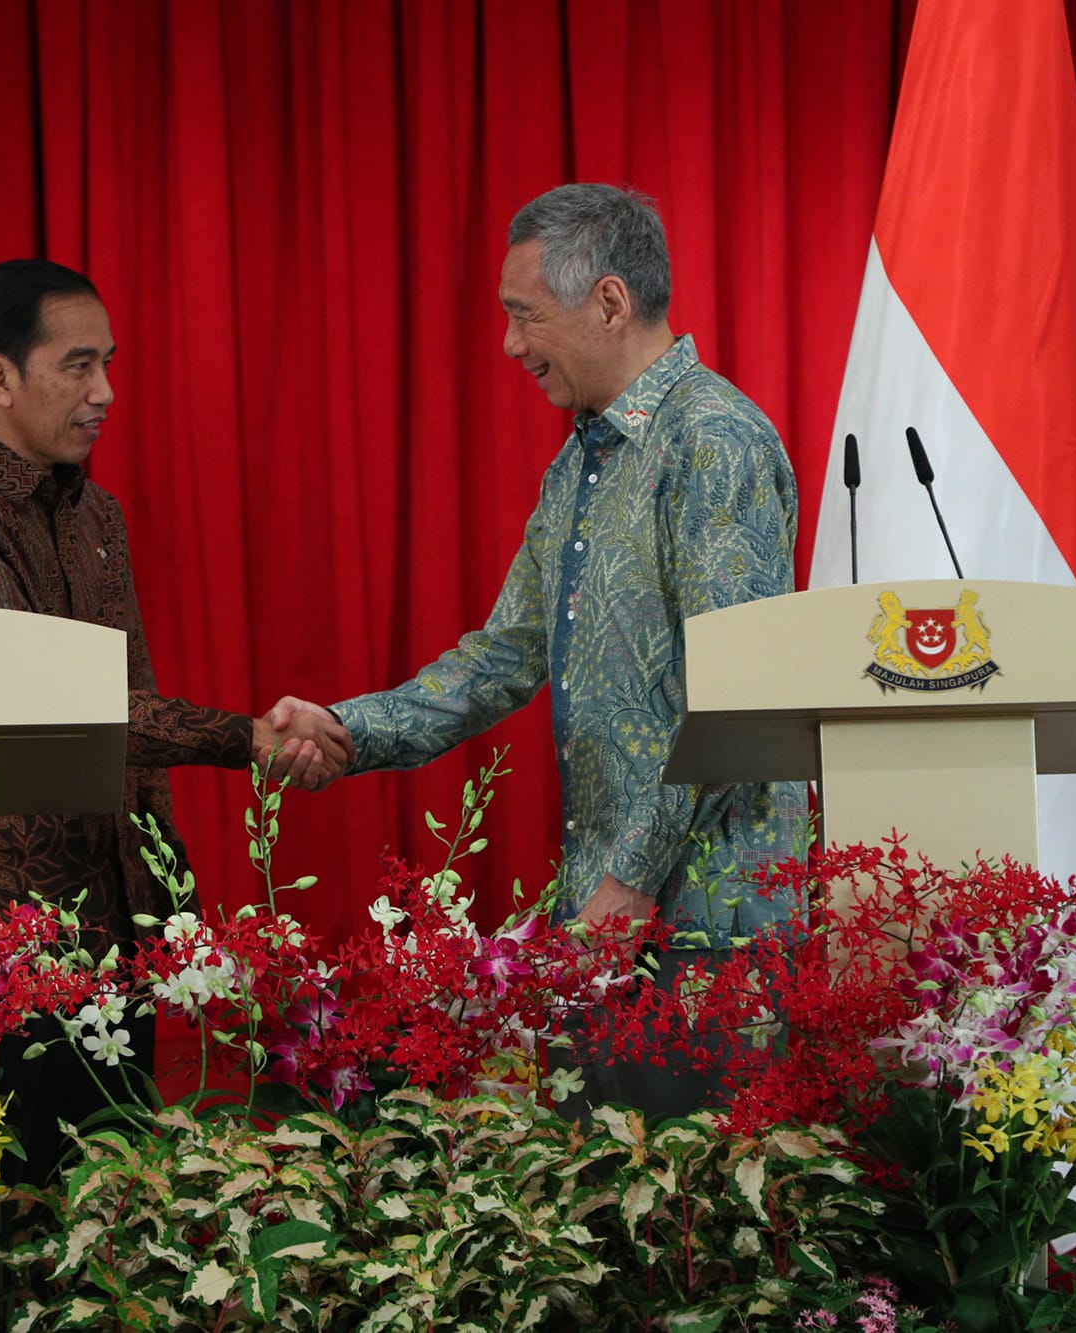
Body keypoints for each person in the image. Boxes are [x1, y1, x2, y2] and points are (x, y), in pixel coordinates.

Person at [270, 184, 806, 1117]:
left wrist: (631, 881)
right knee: (595, 1238)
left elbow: (740, 694)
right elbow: (501, 656)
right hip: (604, 929)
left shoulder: (713, 441)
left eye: (525, 316)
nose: (511, 346)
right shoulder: (581, 462)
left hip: (706, 934)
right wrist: (348, 729)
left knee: (699, 1243)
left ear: (608, 302)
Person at [0, 259, 351, 1179]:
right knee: (13, 1215)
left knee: (116, 1205)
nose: (105, 393)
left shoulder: (99, 513)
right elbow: (48, 704)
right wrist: (244, 736)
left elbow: (132, 707)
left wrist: (168, 901)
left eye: (109, 364)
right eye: (79, 366)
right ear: (0, 378)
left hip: (115, 923)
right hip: (0, 946)